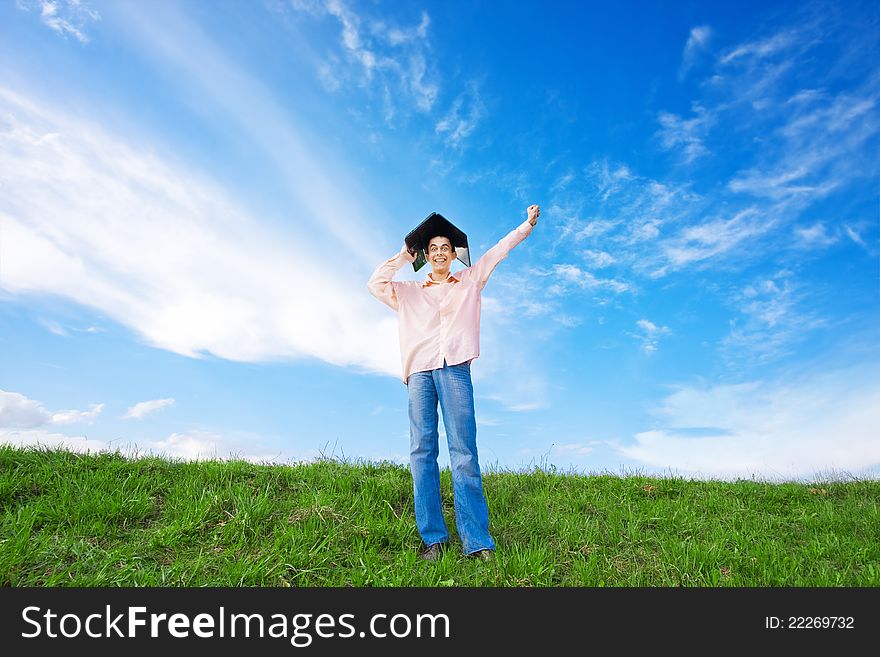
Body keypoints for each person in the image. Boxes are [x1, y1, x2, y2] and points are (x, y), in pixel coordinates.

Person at [367, 204, 540, 561]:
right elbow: (375, 284)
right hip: (419, 373)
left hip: (455, 369)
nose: (440, 253)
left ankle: (476, 542)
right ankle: (434, 540)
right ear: (426, 256)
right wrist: (403, 255)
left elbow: (497, 252)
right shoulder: (408, 292)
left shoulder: (470, 281)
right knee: (422, 453)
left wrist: (525, 227)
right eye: (433, 249)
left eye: (446, 248)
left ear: (453, 254)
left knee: (463, 453)